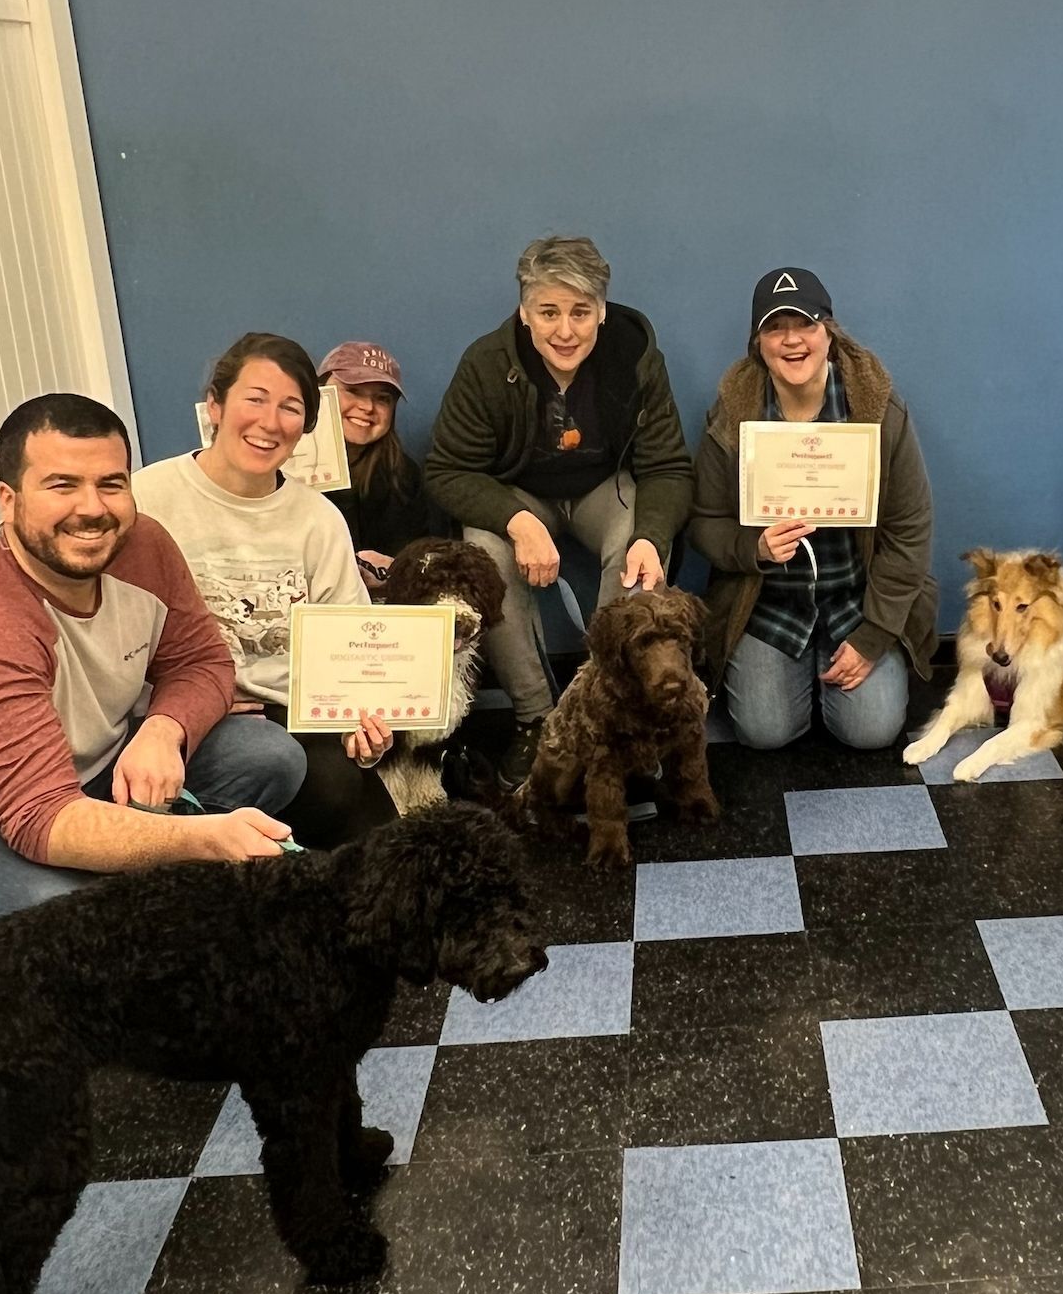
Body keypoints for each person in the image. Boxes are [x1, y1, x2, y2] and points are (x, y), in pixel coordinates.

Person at [0, 393, 304, 948]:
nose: (92, 508)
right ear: (9, 499)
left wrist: (162, 729)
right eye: (62, 485)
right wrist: (205, 839)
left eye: (111, 483)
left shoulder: (143, 544)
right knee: (54, 920)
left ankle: (156, 917)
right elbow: (39, 818)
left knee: (268, 756)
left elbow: (200, 661)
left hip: (79, 776)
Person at [424, 236, 693, 786]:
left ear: (601, 311)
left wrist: (652, 536)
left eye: (580, 312)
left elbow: (667, 467)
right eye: (549, 312)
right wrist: (517, 521)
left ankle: (615, 709)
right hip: (518, 492)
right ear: (525, 313)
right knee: (483, 550)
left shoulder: (636, 356)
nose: (565, 330)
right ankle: (538, 717)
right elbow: (446, 470)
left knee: (637, 539)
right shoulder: (485, 362)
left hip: (603, 487)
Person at [131, 333, 398, 848]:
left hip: (290, 709)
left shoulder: (318, 519)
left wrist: (360, 725)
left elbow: (348, 641)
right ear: (214, 404)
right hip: (176, 710)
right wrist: (192, 700)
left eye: (290, 408)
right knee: (291, 775)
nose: (270, 422)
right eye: (254, 399)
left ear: (306, 427)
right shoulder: (148, 496)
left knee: (371, 829)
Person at [689, 267, 937, 750]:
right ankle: (795, 673)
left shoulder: (878, 409)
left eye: (806, 324)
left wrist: (873, 636)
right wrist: (753, 547)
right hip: (768, 603)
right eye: (775, 328)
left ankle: (834, 671)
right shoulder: (732, 413)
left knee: (871, 732)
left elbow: (910, 531)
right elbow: (704, 522)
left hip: (857, 599)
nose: (792, 341)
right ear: (757, 342)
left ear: (829, 331)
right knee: (764, 733)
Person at [317, 339, 451, 590]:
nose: (367, 407)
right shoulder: (282, 467)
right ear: (319, 392)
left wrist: (397, 568)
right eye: (353, 391)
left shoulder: (403, 476)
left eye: (382, 399)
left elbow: (427, 563)